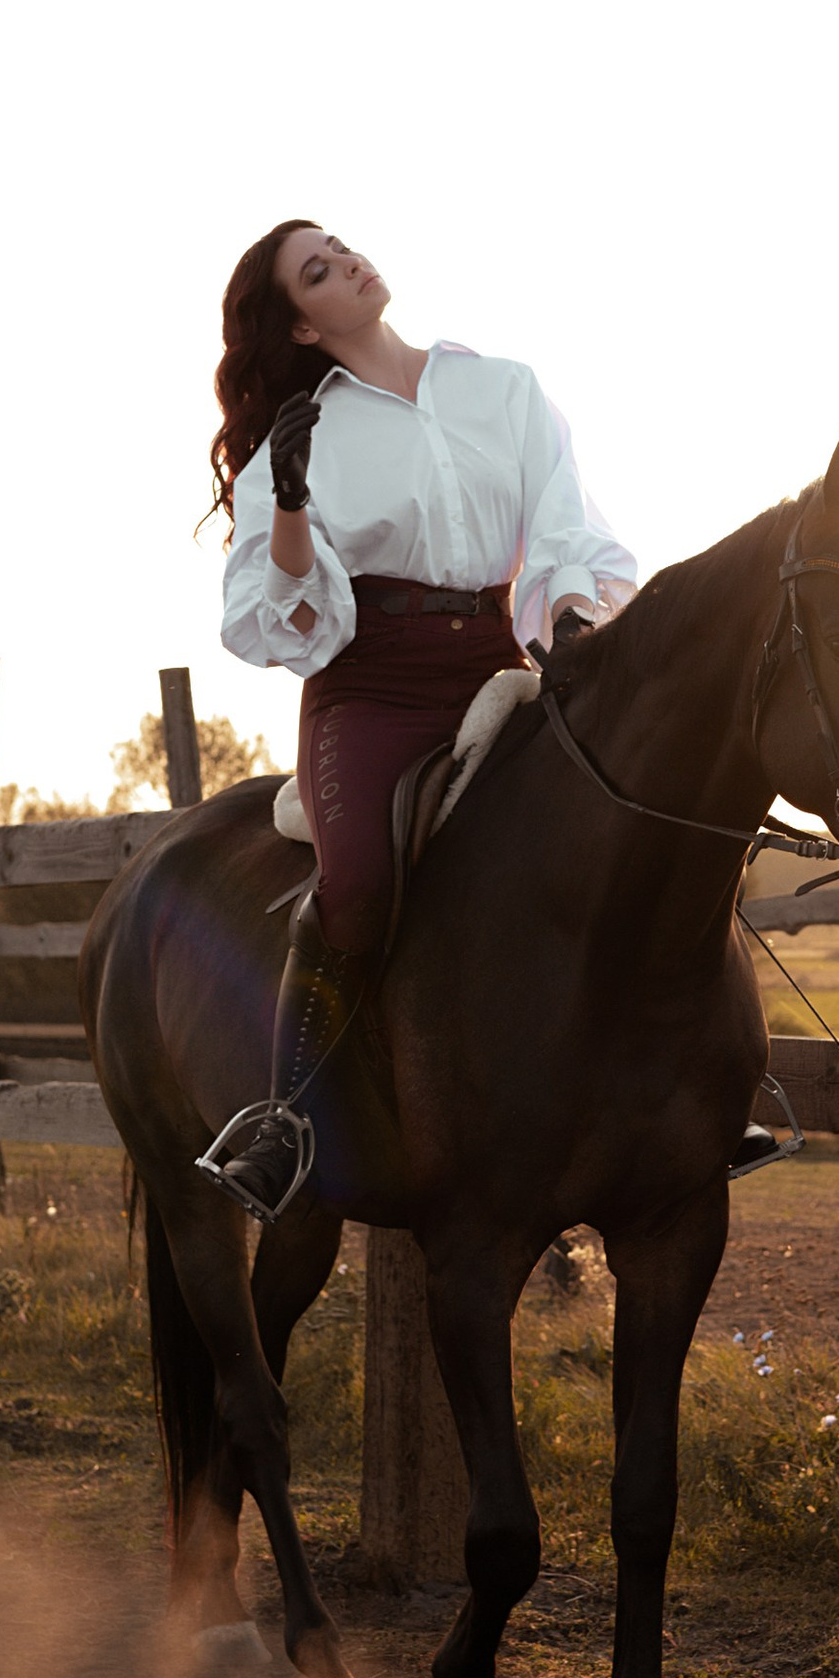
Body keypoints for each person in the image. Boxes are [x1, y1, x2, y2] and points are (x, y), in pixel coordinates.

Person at [195, 223, 637, 1218]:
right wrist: (295, 505)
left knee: (634, 805)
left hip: (497, 652)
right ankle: (287, 1117)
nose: (347, 261)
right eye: (317, 272)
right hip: (371, 682)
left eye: (340, 247)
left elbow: (566, 524)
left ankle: (670, 1089)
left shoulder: (502, 389)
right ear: (302, 327)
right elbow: (272, 613)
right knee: (355, 883)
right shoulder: (292, 440)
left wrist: (571, 616)